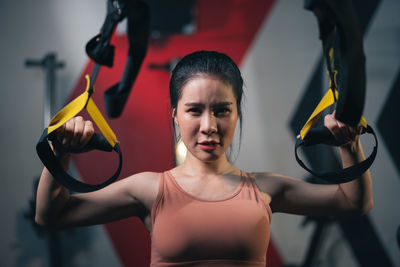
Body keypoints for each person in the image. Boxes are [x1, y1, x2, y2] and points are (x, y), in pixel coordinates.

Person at [35, 50, 373, 267]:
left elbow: (353, 202)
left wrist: (349, 144)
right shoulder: (149, 189)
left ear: (237, 115)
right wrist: (60, 152)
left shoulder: (266, 188)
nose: (209, 125)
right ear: (175, 116)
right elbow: (52, 215)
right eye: (194, 110)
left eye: (222, 110)